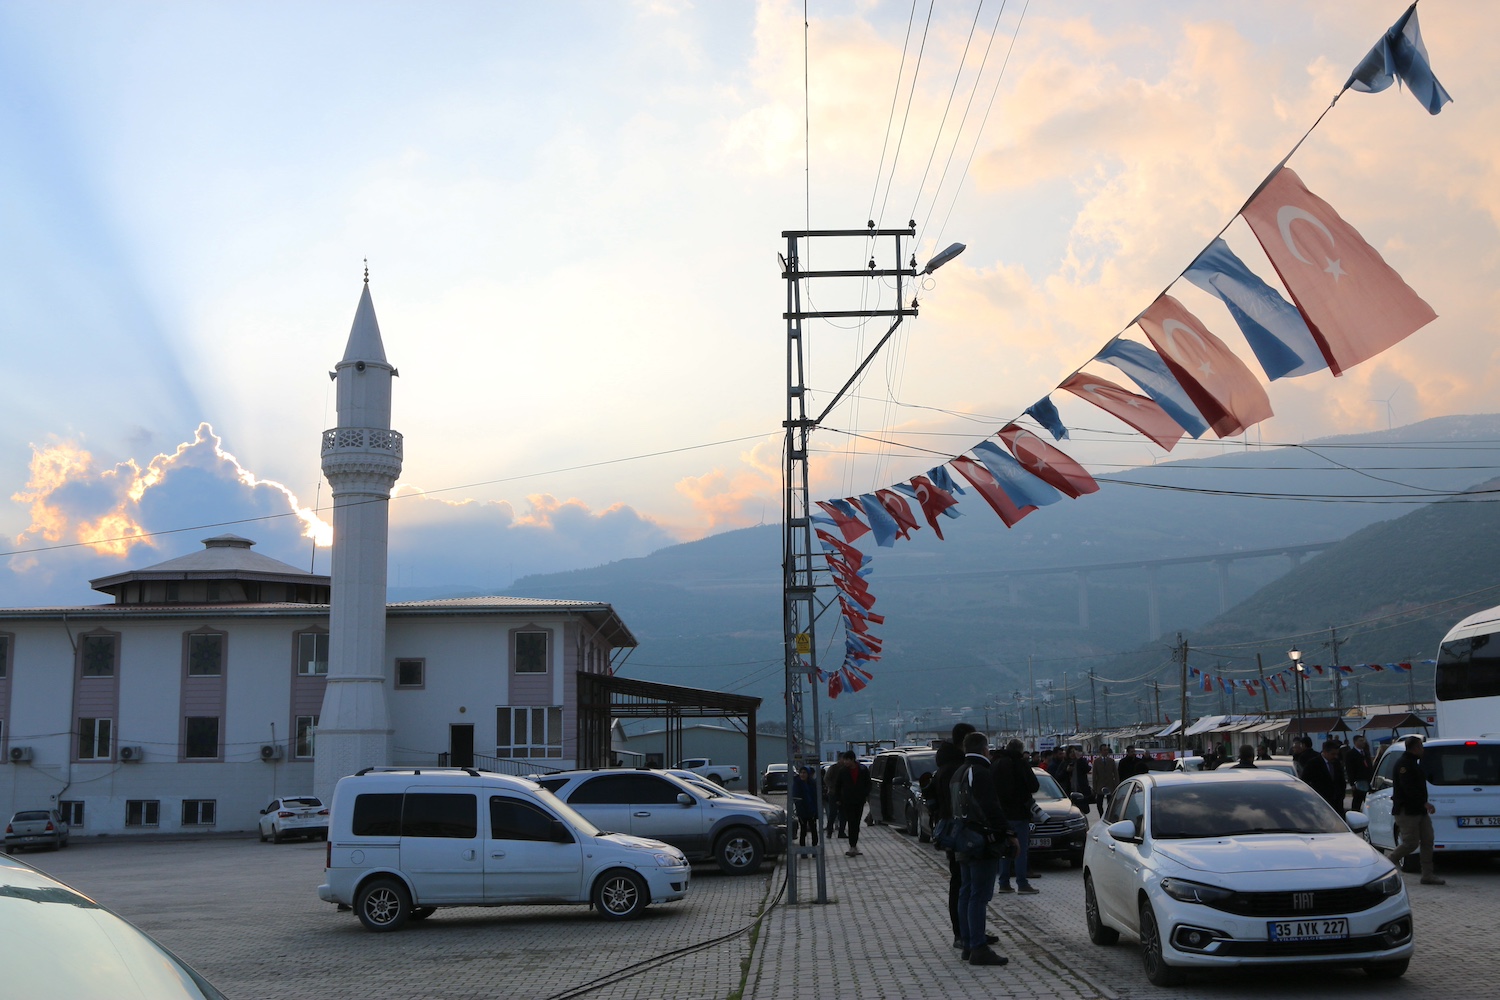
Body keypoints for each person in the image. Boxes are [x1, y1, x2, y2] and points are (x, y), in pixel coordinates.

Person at [924, 723, 990, 951]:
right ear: (964, 741)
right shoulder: (956, 768)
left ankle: (971, 930)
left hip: (952, 830)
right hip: (961, 832)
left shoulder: (945, 766)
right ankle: (963, 933)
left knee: (964, 883)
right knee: (963, 884)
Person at [949, 732, 1013, 966]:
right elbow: (990, 806)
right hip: (981, 841)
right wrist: (1007, 833)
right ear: (985, 749)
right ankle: (978, 947)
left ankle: (967, 943)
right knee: (979, 895)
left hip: (962, 839)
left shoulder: (959, 771)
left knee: (966, 892)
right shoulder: (981, 772)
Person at [1388, 736, 1445, 885]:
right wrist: (1424, 803)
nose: (1423, 750)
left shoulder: (1414, 763)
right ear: (1415, 748)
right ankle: (1387, 864)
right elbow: (1408, 788)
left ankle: (1427, 874)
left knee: (1428, 840)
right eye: (1421, 746)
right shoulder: (1404, 765)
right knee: (1410, 843)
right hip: (1407, 811)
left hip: (1419, 811)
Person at [993, 738, 1040, 895]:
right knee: (1020, 849)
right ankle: (1022, 883)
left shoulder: (997, 763)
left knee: (1005, 848)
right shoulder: (1021, 763)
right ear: (1020, 750)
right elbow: (1034, 786)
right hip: (1019, 812)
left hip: (1000, 814)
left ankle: (1003, 883)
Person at [831, 750, 872, 857]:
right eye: (844, 760)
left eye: (847, 760)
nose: (845, 762)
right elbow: (838, 786)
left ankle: (854, 845)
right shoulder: (843, 771)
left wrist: (865, 794)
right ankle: (852, 845)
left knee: (856, 823)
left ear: (852, 759)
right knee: (851, 821)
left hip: (859, 800)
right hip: (847, 801)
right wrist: (838, 799)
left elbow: (868, 783)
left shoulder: (863, 770)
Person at [790, 765, 819, 847]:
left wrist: (815, 810)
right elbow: (796, 797)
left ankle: (814, 848)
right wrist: (800, 809)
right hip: (802, 811)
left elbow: (815, 797)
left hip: (812, 810)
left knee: (813, 829)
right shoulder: (797, 784)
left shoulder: (812, 783)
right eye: (801, 773)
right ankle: (803, 850)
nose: (802, 775)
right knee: (803, 830)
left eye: (804, 773)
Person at [1344, 735, 1374, 812]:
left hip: (1368, 780)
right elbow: (1349, 769)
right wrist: (1352, 783)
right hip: (1358, 781)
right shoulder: (1350, 754)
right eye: (1360, 740)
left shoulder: (1366, 753)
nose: (1363, 742)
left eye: (1363, 740)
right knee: (1357, 801)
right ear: (1355, 742)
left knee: (1368, 801)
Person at [1090, 746, 1118, 816]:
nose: (1106, 752)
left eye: (1107, 750)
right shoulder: (1096, 761)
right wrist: (1094, 787)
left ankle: (1109, 816)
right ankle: (1101, 815)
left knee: (1110, 803)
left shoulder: (1111, 761)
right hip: (1100, 785)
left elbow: (1115, 774)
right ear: (1101, 751)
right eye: (1104, 750)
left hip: (1110, 785)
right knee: (1099, 803)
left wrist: (1116, 785)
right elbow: (1094, 775)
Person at [1069, 747, 1092, 813]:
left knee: (1083, 810)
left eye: (1074, 752)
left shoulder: (1081, 761)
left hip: (1081, 789)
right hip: (1070, 790)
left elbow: (1087, 769)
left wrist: (1079, 759)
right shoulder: (1066, 762)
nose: (1073, 754)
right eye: (1071, 752)